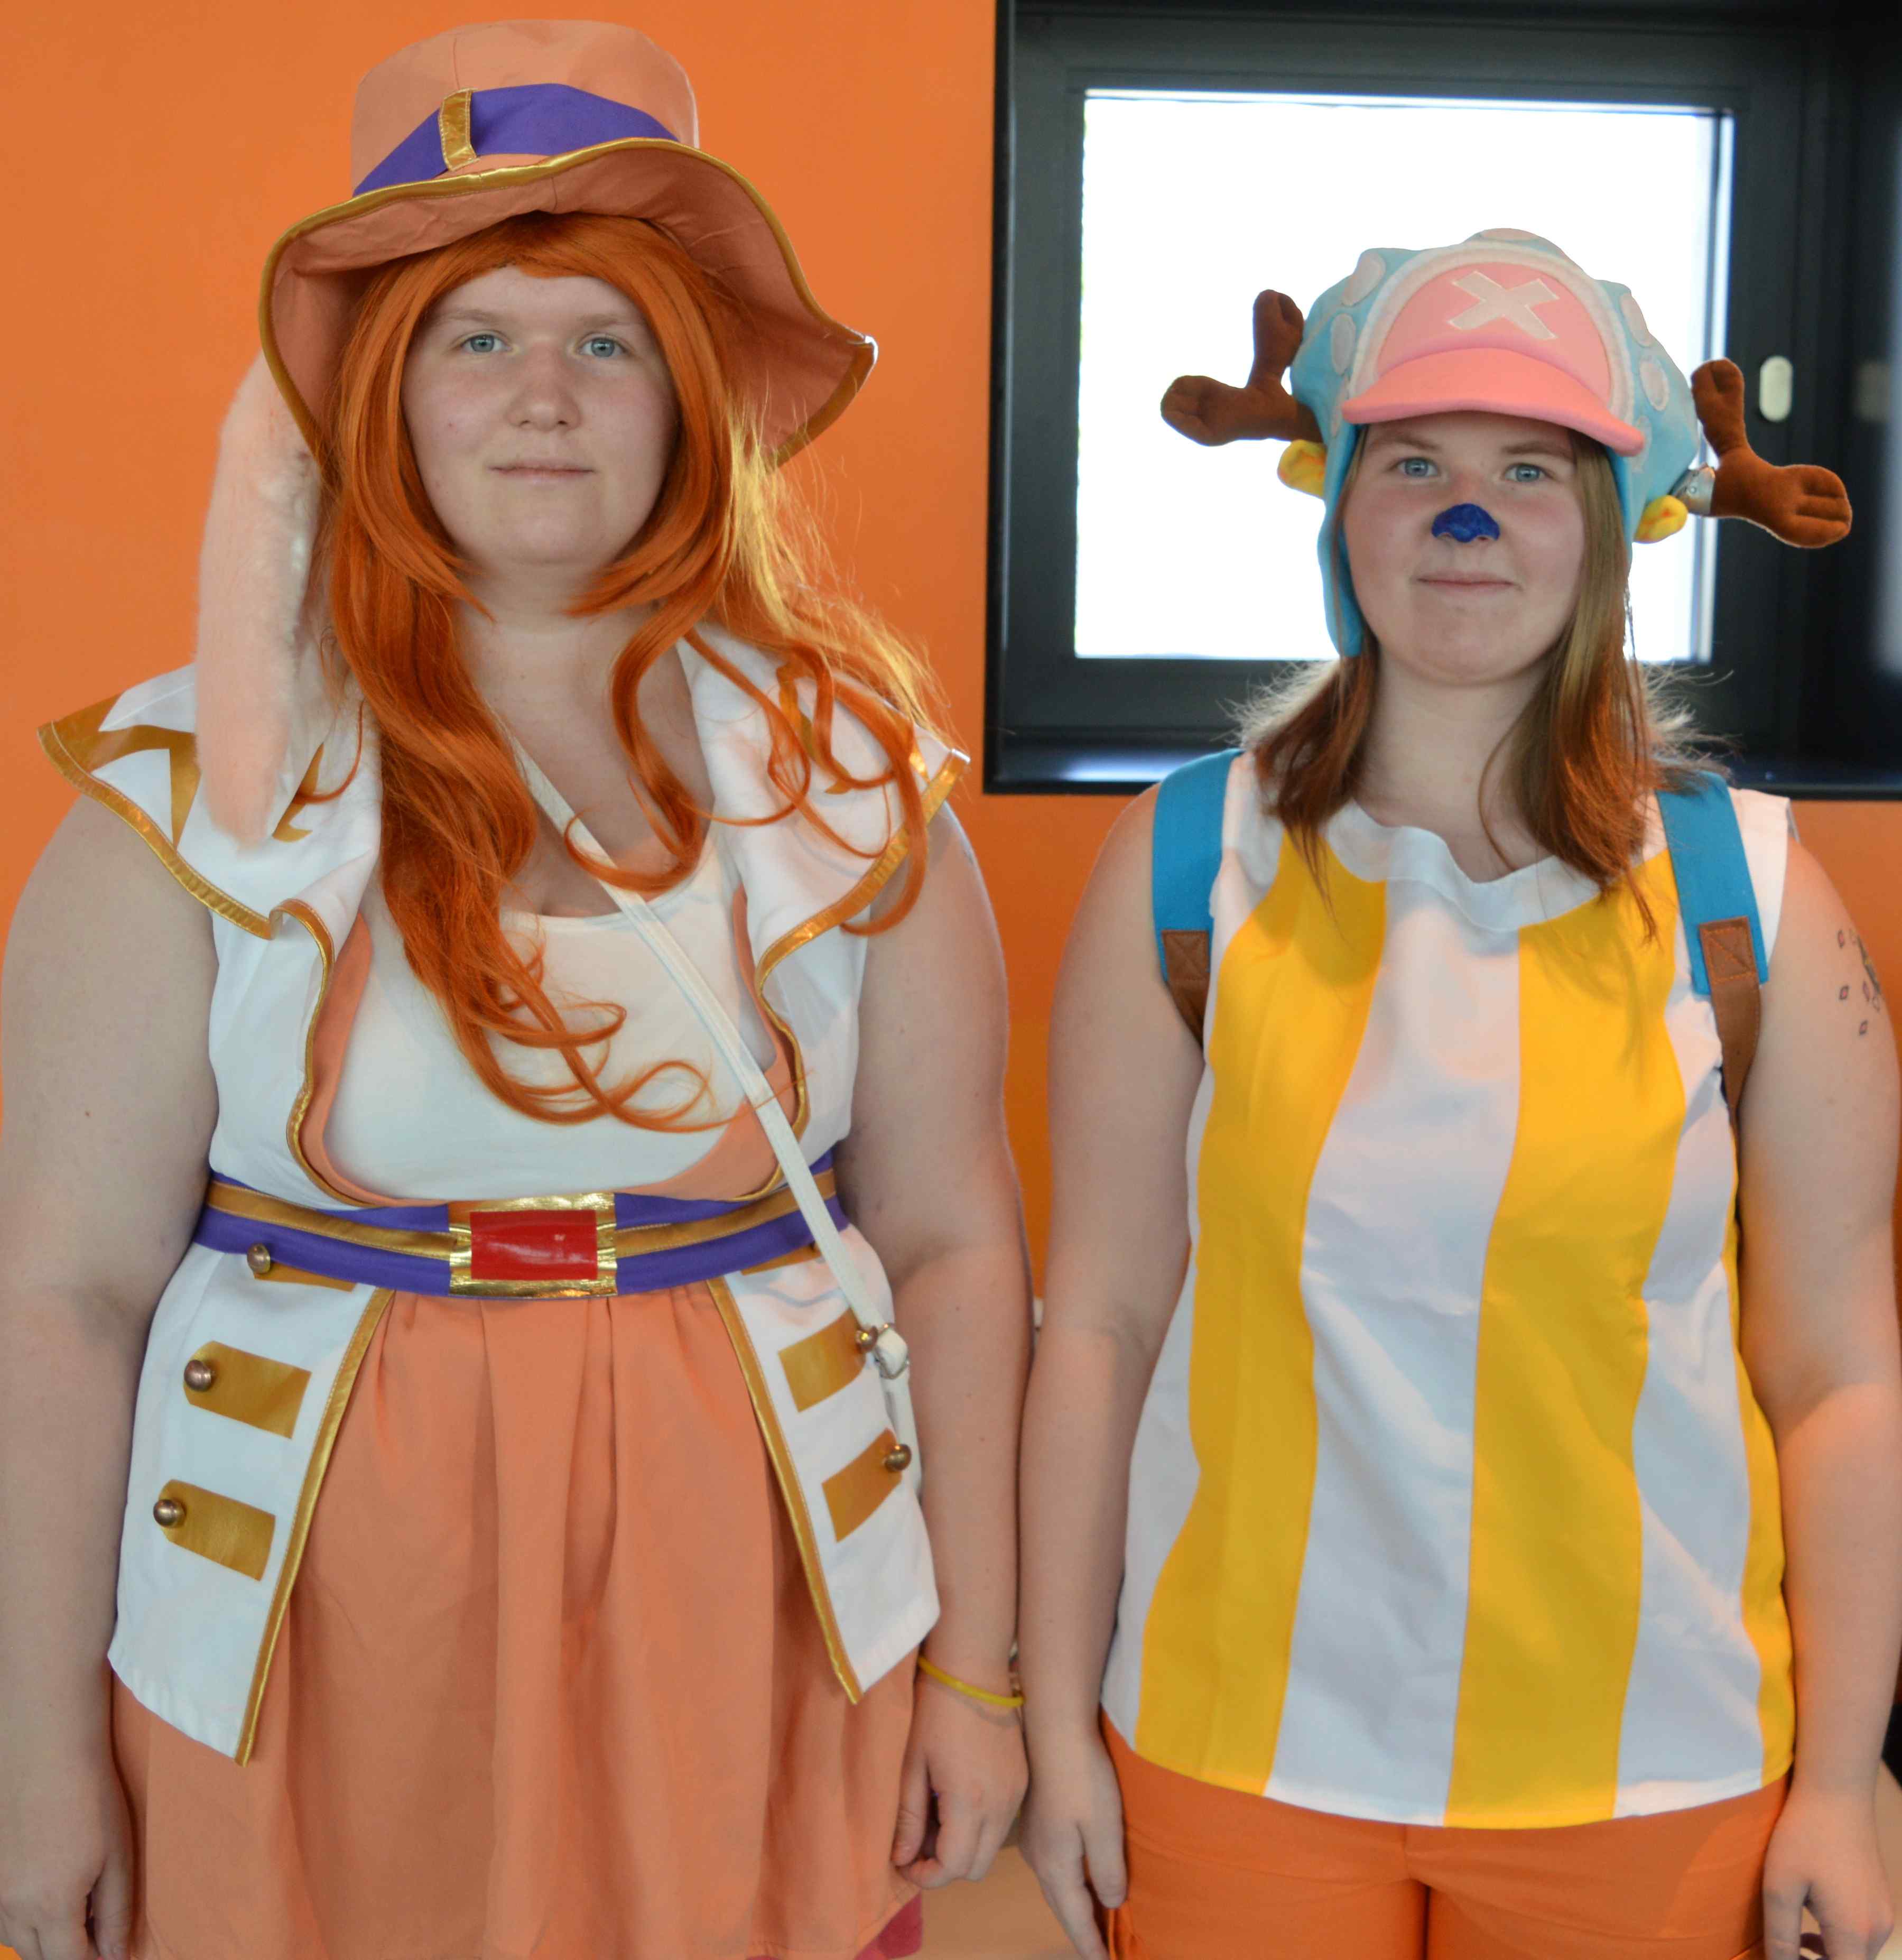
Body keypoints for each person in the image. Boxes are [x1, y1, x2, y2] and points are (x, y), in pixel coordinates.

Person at [0, 22, 1029, 1960]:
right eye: (478, 335)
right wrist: (32, 1749)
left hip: (756, 1631)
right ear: (382, 392)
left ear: (689, 397)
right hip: (323, 1648)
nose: (544, 397)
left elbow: (958, 1242)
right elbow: (59, 1300)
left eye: (608, 340)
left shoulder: (856, 785)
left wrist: (977, 1669)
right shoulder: (174, 798)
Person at [1019, 230, 1902, 1960]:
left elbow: (1837, 1377)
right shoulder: (1187, 862)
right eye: (1413, 463)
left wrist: (1845, 1781)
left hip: (1652, 1759)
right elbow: (1100, 1327)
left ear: (1608, 530)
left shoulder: (1753, 896)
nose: (1466, 516)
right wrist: (1057, 1721)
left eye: (1528, 472)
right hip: (1232, 1738)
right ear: (1342, 509)